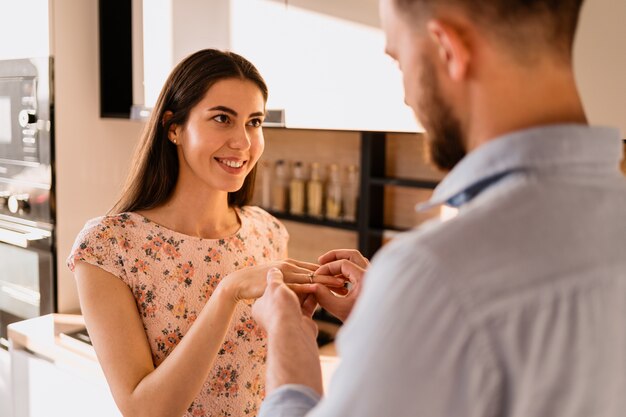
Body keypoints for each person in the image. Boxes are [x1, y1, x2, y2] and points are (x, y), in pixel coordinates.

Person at [252, 0, 626, 416]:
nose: (407, 96)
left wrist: (287, 340)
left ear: (448, 49)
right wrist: (397, 318)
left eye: (399, 62)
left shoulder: (436, 273)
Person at [67, 49, 344, 417]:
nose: (243, 142)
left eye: (254, 122)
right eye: (222, 118)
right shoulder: (108, 247)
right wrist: (228, 292)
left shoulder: (267, 232)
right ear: (174, 127)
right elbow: (145, 411)